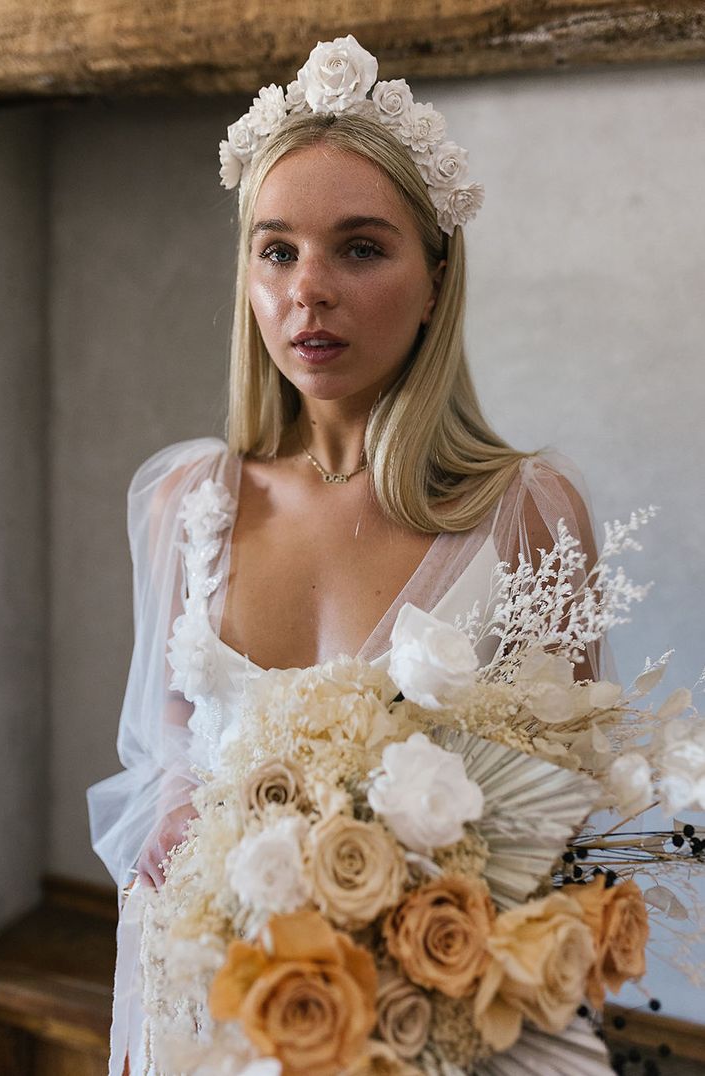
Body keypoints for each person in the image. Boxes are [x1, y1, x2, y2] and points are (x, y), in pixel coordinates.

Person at [87, 35, 603, 1076]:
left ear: (433, 276)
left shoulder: (528, 513)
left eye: (359, 248)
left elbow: (562, 837)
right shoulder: (185, 504)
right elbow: (162, 777)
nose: (305, 290)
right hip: (210, 1016)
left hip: (421, 1033)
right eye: (275, 249)